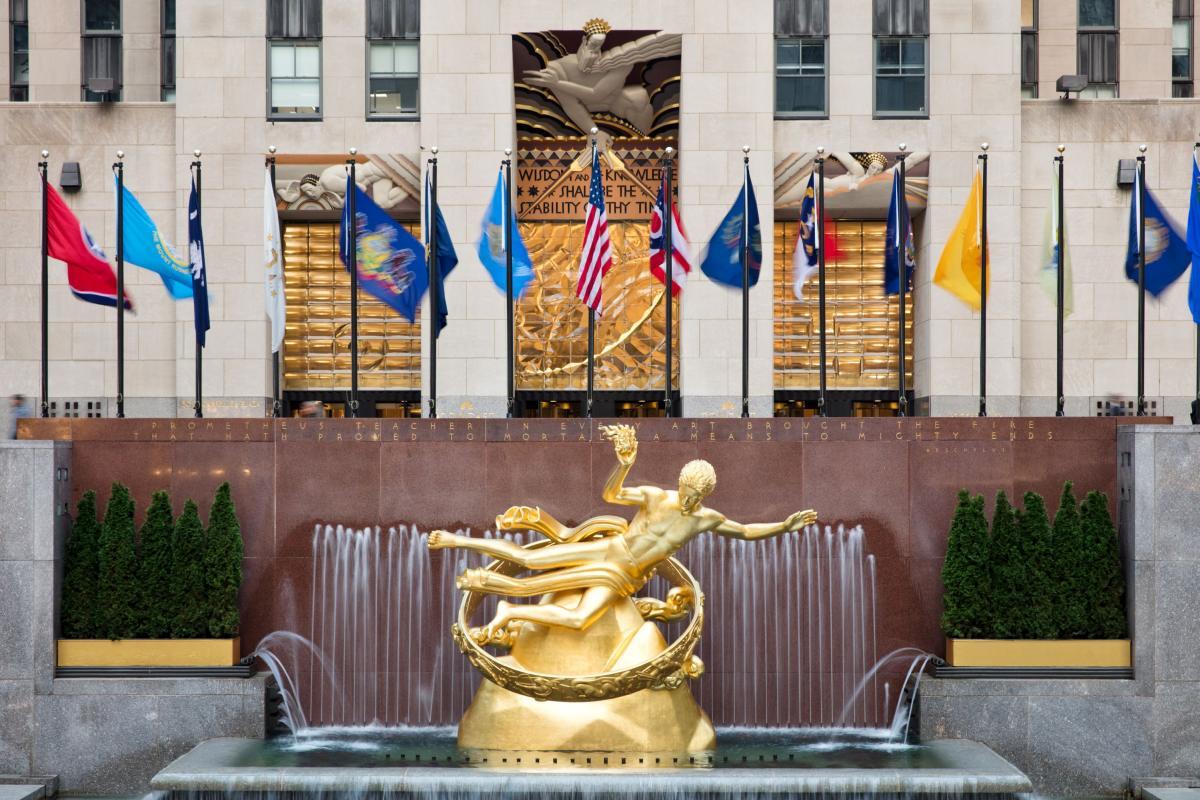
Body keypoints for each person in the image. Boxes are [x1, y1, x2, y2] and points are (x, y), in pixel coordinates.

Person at [429, 423, 816, 643]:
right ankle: (456, 542)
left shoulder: (704, 518)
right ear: (680, 484)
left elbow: (746, 531)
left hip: (625, 577)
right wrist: (624, 464)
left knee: (581, 619)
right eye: (686, 492)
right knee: (529, 558)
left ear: (705, 496)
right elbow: (611, 494)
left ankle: (509, 610)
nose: (688, 500)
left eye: (696, 496)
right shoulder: (653, 497)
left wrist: (784, 526)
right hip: (609, 551)